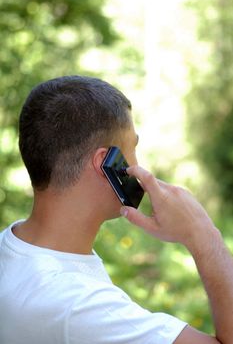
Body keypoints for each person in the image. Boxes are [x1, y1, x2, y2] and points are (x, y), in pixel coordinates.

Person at [0, 76, 232, 344]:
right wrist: (203, 233)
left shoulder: (11, 247)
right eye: (132, 148)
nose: (140, 166)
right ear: (105, 164)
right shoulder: (79, 306)